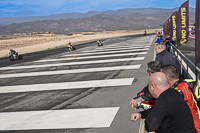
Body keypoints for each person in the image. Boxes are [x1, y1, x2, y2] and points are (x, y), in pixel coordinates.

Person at [131, 72, 197, 133]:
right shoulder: (174, 93)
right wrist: (141, 114)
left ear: (153, 86)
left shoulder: (163, 99)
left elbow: (150, 126)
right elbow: (159, 110)